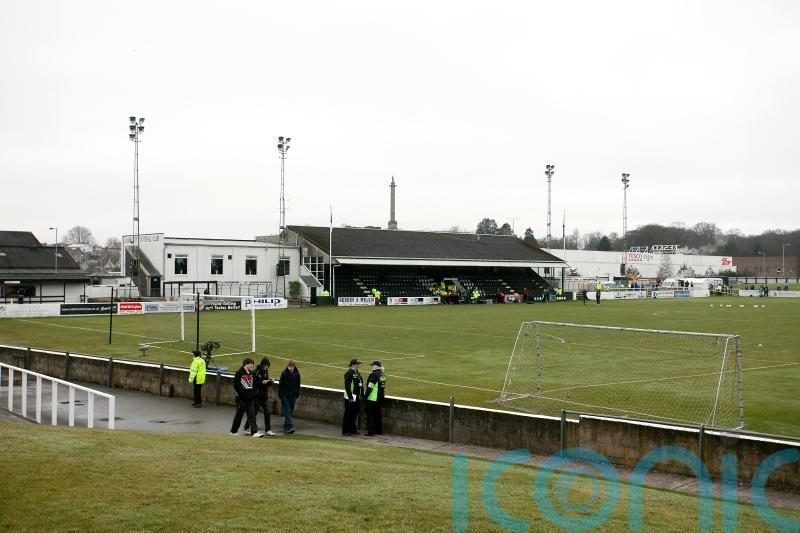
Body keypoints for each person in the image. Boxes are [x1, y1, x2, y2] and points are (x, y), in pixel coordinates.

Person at [230, 358, 262, 437]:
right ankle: (233, 431)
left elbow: (252, 385)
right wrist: (243, 395)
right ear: (246, 364)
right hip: (241, 399)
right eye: (251, 364)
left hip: (250, 399)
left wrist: (253, 394)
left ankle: (254, 432)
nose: (252, 365)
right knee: (239, 416)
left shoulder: (251, 373)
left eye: (252, 364)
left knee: (252, 416)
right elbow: (236, 385)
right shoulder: (239, 373)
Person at [246, 357, 275, 436]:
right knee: (254, 413)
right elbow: (254, 384)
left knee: (267, 412)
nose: (266, 367)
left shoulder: (266, 373)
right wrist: (262, 382)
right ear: (262, 365)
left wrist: (270, 382)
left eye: (268, 366)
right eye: (265, 365)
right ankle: (246, 427)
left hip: (264, 397)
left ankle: (268, 430)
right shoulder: (256, 372)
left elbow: (265, 384)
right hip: (257, 396)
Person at [278, 360, 301, 434]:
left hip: (293, 396)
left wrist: (296, 394)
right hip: (285, 396)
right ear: (287, 366)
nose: (291, 368)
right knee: (287, 412)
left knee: (290, 412)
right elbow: (280, 385)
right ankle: (290, 426)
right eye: (290, 367)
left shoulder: (297, 374)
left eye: (292, 367)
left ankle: (286, 427)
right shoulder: (284, 374)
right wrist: (281, 395)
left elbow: (298, 385)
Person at [342, 358, 363, 436]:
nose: (359, 365)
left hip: (357, 396)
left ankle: (352, 429)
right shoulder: (349, 373)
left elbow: (360, 383)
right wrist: (350, 397)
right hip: (350, 397)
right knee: (348, 414)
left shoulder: (356, 372)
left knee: (354, 413)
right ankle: (346, 431)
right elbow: (347, 386)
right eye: (357, 364)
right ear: (353, 365)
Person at [364, 360, 386, 436]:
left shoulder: (373, 375)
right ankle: (379, 431)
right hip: (380, 397)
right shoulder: (383, 374)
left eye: (372, 365)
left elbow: (370, 387)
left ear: (375, 366)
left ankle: (371, 431)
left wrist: (365, 396)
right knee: (378, 414)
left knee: (370, 415)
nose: (371, 366)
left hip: (373, 398)